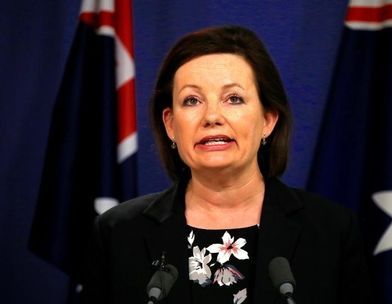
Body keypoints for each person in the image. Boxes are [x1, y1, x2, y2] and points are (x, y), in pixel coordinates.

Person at [81, 25, 371, 304]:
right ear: (170, 125)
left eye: (233, 98)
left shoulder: (332, 232)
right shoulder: (117, 233)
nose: (211, 117)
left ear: (268, 120)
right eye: (192, 100)